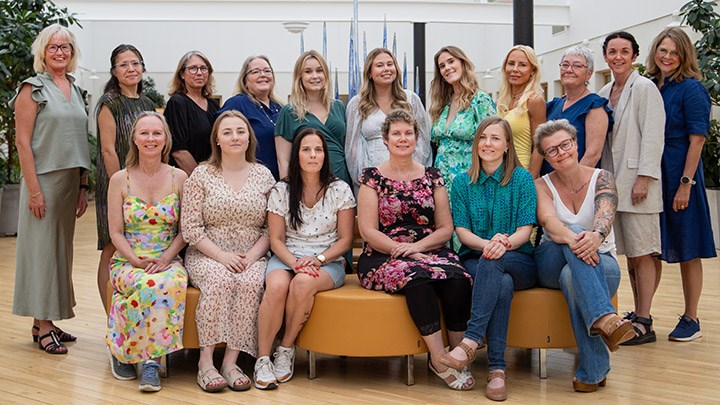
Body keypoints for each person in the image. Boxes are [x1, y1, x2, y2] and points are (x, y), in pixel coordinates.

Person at [357, 109, 473, 391]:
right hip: (383, 253)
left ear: (417, 138)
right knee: (418, 278)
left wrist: (418, 247)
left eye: (408, 133)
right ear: (385, 139)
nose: (402, 138)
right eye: (396, 133)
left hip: (429, 247)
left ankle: (458, 355)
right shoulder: (372, 178)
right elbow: (368, 231)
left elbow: (445, 228)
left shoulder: (433, 176)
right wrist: (404, 250)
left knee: (458, 278)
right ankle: (438, 359)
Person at [533, 119, 635, 393]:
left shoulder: (602, 177)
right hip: (550, 262)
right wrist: (578, 237)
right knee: (572, 238)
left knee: (572, 276)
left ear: (576, 144)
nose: (561, 152)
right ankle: (606, 317)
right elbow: (549, 221)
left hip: (602, 263)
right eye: (551, 150)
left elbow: (605, 215)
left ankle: (594, 368)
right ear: (544, 157)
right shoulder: (541, 185)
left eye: (565, 144)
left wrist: (596, 237)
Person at [442, 117, 537, 401]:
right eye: (483, 138)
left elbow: (525, 230)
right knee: (500, 281)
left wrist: (503, 244)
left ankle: (470, 341)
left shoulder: (522, 179)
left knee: (497, 265)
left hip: (519, 259)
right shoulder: (461, 182)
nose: (488, 144)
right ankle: (497, 370)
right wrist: (489, 245)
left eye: (495, 138)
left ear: (507, 145)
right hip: (476, 258)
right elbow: (462, 232)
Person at [10, 24, 91, 355]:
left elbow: (79, 140)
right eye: (53, 47)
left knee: (60, 253)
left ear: (72, 54)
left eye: (66, 47)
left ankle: (45, 321)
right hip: (43, 180)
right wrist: (33, 190)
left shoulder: (73, 87)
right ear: (42, 52)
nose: (60, 52)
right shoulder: (32, 89)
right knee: (42, 253)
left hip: (70, 181)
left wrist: (84, 185)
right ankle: (43, 326)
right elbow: (22, 142)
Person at [254, 128, 355, 390]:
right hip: (288, 255)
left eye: (318, 150)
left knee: (302, 284)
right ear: (297, 154)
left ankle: (286, 348)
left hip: (328, 259)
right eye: (306, 150)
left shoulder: (339, 189)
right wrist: (295, 262)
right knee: (276, 286)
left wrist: (318, 259)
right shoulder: (281, 190)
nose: (313, 155)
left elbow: (345, 240)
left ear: (325, 155)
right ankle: (262, 358)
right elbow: (276, 239)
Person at [182, 110, 276, 392]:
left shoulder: (264, 175)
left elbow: (271, 230)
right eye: (227, 132)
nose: (235, 137)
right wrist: (222, 257)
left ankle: (231, 362)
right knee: (221, 280)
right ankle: (206, 362)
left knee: (250, 284)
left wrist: (252, 257)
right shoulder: (201, 174)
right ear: (217, 140)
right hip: (208, 252)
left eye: (240, 131)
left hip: (252, 253)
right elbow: (190, 227)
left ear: (249, 138)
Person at [106, 112, 188, 392]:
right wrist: (135, 261)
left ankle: (150, 362)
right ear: (134, 139)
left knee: (170, 282)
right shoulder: (120, 179)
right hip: (128, 259)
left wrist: (166, 259)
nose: (151, 139)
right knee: (145, 283)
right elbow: (115, 232)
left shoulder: (179, 177)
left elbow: (185, 230)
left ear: (166, 139)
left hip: (168, 257)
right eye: (144, 133)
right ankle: (127, 352)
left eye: (157, 133)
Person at [647, 27, 717, 342]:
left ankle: (691, 318)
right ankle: (642, 314)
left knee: (689, 248)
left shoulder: (691, 89)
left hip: (680, 175)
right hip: (654, 176)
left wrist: (685, 184)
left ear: (684, 55)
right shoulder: (650, 86)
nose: (667, 57)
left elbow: (698, 138)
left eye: (674, 52)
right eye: (663, 50)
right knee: (650, 248)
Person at [599, 31, 665, 345]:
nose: (618, 57)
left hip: (639, 184)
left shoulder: (645, 88)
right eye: (612, 52)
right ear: (606, 57)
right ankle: (637, 313)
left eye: (625, 51)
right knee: (629, 255)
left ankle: (645, 319)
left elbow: (653, 136)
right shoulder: (604, 90)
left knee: (643, 253)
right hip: (615, 182)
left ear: (634, 56)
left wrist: (644, 178)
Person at [95, 44, 157, 313]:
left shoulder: (147, 104)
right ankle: (110, 315)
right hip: (116, 186)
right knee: (111, 247)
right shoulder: (109, 103)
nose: (131, 69)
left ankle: (133, 312)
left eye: (136, 63)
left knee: (135, 245)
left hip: (143, 185)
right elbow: (108, 149)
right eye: (124, 64)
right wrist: (121, 190)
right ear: (114, 71)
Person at [345, 47, 432, 191]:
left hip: (409, 181)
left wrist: (411, 176)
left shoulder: (411, 99)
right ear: (370, 73)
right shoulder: (357, 104)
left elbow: (423, 140)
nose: (386, 69)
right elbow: (352, 148)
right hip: (371, 182)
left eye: (390, 64)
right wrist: (367, 179)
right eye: (379, 65)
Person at [275, 50, 350, 185]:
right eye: (308, 71)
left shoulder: (338, 107)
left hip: (341, 182)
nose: (315, 76)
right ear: (300, 77)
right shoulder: (289, 112)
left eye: (319, 71)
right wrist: (287, 191)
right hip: (307, 185)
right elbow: (283, 160)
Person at [429, 45, 496, 196]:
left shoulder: (480, 100)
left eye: (451, 61)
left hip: (471, 181)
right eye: (442, 66)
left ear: (462, 63)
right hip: (441, 181)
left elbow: (494, 142)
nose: (447, 68)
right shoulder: (443, 103)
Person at [541, 46, 611, 175]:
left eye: (577, 66)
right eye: (565, 65)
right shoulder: (555, 104)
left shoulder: (594, 106)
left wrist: (570, 183)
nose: (569, 70)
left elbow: (593, 154)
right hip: (548, 183)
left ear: (589, 73)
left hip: (575, 186)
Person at [217, 55, 283, 180]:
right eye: (255, 72)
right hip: (250, 182)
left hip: (280, 182)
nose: (262, 75)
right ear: (245, 80)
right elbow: (219, 139)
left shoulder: (280, 107)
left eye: (267, 71)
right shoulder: (237, 104)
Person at [164, 50, 219, 176]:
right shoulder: (177, 103)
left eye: (204, 68)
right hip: (188, 178)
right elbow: (178, 151)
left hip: (214, 176)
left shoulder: (214, 105)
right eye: (193, 68)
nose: (199, 73)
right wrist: (202, 179)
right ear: (182, 74)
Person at [496, 45, 546, 178]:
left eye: (522, 65)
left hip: (521, 173)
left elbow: (539, 145)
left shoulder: (534, 101)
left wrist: (530, 178)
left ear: (532, 71)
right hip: (497, 174)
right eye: (511, 64)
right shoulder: (500, 101)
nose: (515, 69)